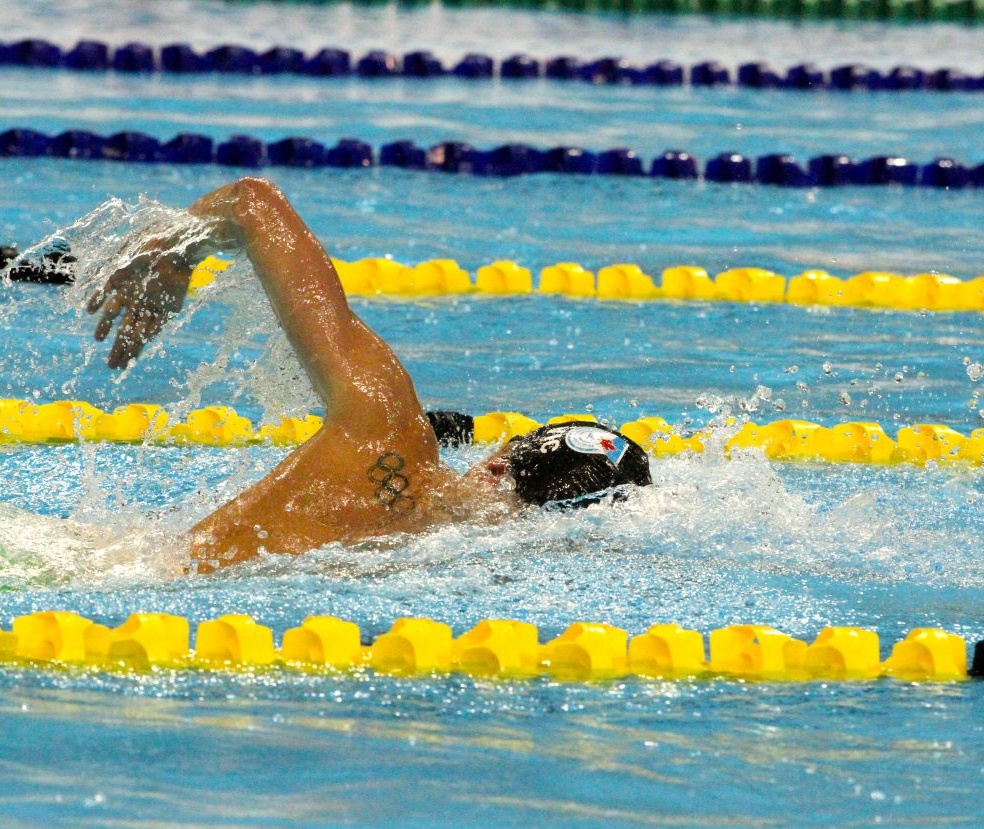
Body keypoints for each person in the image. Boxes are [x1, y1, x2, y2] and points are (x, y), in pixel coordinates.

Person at [88, 177, 650, 571]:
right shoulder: (460, 578)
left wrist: (173, 255)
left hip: (121, 580)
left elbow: (252, 201)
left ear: (498, 463)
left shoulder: (385, 433)